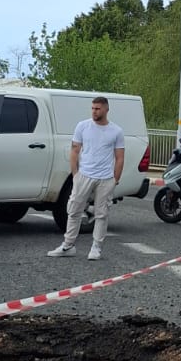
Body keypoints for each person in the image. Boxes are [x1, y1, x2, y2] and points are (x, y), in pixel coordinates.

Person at [47, 96, 124, 262]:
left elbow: (119, 157)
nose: (94, 111)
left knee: (101, 214)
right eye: (93, 108)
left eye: (98, 109)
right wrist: (75, 174)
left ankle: (96, 247)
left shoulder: (116, 131)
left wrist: (115, 180)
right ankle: (68, 245)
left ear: (106, 110)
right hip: (84, 175)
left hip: (105, 178)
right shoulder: (82, 126)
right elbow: (74, 150)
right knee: (74, 210)